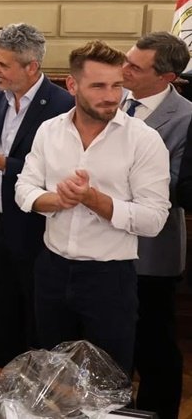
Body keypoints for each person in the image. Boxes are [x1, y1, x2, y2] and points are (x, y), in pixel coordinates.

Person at [15, 40, 170, 375]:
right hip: (51, 271)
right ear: (72, 85)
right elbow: (23, 188)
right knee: (51, 377)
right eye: (98, 86)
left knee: (109, 381)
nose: (111, 96)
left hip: (109, 279)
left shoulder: (143, 140)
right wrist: (58, 200)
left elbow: (155, 219)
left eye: (117, 85)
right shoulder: (49, 131)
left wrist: (95, 200)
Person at [0, 23, 73, 367]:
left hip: (35, 232)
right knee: (1, 317)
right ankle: (1, 381)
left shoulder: (62, 106)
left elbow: (56, 174)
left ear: (31, 66)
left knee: (37, 320)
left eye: (3, 65)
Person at [120, 32, 192, 419]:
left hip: (152, 251)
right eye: (126, 60)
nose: (123, 69)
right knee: (114, 340)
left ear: (165, 77)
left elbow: (176, 182)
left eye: (134, 66)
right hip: (106, 245)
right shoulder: (113, 100)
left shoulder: (186, 118)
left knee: (154, 343)